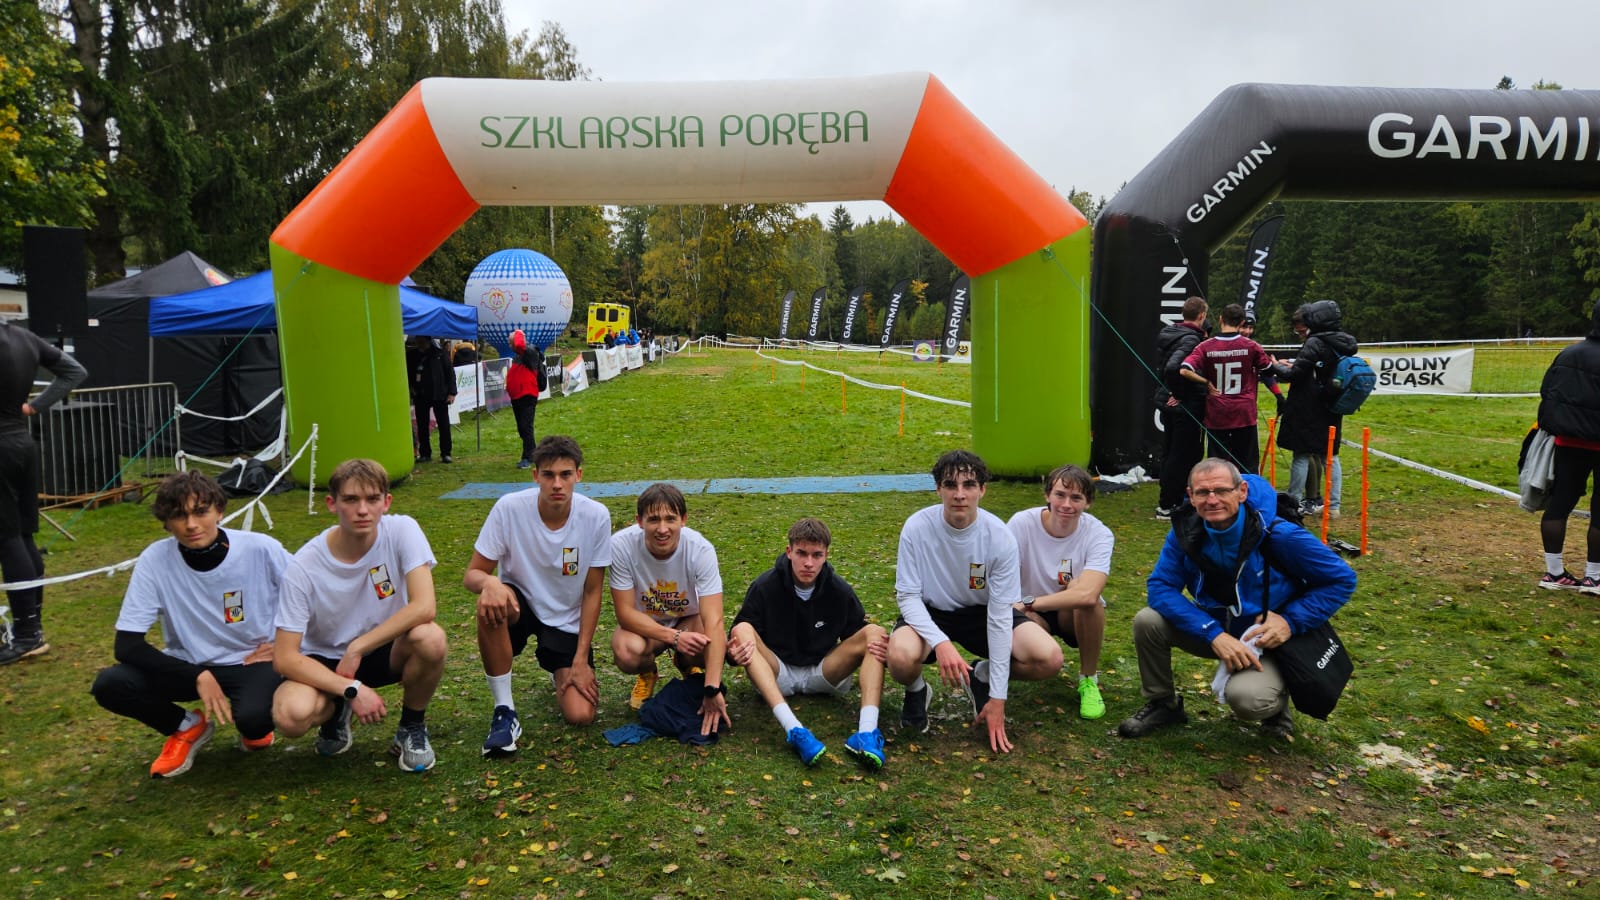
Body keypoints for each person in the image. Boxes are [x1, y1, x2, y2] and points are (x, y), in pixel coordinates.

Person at [1118, 459, 1356, 740]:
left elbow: (1342, 579)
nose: (1212, 500)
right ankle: (1163, 705)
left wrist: (1290, 622)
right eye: (1202, 492)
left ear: (1241, 491)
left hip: (1265, 639)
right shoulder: (1185, 532)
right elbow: (1160, 587)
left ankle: (1276, 707)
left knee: (1248, 699)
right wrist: (1212, 633)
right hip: (1217, 630)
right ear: (1191, 496)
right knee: (1148, 621)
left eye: (1222, 490)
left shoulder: (1279, 535)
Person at [89, 471, 291, 777]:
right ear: (166, 523)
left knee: (254, 722)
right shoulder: (154, 560)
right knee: (111, 684)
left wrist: (284, 645)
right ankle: (186, 726)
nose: (191, 524)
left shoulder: (260, 549)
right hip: (188, 664)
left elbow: (311, 596)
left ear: (219, 511)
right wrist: (197, 675)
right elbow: (127, 645)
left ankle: (254, 725)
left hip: (251, 660)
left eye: (200, 512)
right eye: (178, 515)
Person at [271, 459, 448, 771]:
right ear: (332, 504)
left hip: (381, 650)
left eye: (372, 499)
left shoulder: (402, 530)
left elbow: (425, 607)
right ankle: (338, 708)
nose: (363, 510)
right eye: (351, 500)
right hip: (326, 661)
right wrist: (349, 688)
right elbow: (284, 658)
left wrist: (358, 647)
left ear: (386, 502)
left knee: (431, 638)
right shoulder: (303, 566)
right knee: (290, 716)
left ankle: (411, 727)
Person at [887, 450, 1062, 754]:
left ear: (982, 489)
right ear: (938, 489)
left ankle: (981, 676)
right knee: (900, 658)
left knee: (1049, 658)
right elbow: (908, 596)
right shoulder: (916, 527)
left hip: (983, 613)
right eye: (950, 485)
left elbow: (999, 617)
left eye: (968, 485)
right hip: (931, 612)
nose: (959, 494)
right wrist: (941, 643)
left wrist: (998, 698)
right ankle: (917, 690)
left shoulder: (1000, 537)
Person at [465, 436, 611, 755]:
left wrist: (580, 660)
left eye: (565, 474)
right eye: (548, 475)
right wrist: (489, 583)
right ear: (535, 476)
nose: (557, 484)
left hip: (565, 618)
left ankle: (560, 669)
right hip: (518, 606)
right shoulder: (509, 508)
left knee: (581, 715)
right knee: (489, 602)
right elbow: (472, 574)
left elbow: (592, 590)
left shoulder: (596, 516)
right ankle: (505, 711)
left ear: (578, 475)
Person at [727, 517, 890, 768]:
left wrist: (878, 654)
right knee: (741, 629)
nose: (809, 563)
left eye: (817, 555)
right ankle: (794, 729)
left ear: (826, 555)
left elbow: (856, 635)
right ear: (789, 551)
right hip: (778, 673)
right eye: (802, 553)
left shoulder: (839, 590)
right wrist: (733, 655)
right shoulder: (765, 586)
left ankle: (866, 732)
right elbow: (738, 640)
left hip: (822, 671)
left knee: (875, 633)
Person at [609, 483, 730, 736]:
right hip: (646, 626)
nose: (662, 529)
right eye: (653, 519)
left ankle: (685, 662)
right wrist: (674, 637)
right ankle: (647, 672)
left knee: (711, 639)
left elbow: (715, 621)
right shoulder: (620, 545)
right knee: (626, 651)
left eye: (670, 519)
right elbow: (625, 614)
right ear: (639, 521)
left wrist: (712, 689)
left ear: (683, 520)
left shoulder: (701, 550)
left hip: (688, 620)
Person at [0, 321, 87, 665]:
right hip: (22, 444)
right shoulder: (23, 336)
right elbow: (74, 371)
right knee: (23, 536)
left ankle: (27, 634)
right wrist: (35, 406)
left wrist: (36, 406)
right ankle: (31, 625)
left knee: (8, 539)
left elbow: (75, 372)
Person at [1005, 464, 1112, 721]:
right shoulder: (1021, 523)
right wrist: (1022, 607)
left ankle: (1088, 679)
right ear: (1047, 495)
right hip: (1031, 614)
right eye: (1060, 495)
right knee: (1041, 653)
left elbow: (1088, 594)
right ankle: (991, 671)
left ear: (1088, 503)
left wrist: (1031, 602)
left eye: (1076, 498)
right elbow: (1001, 578)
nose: (1066, 504)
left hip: (1068, 613)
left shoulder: (1100, 534)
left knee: (1086, 596)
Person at [1534, 297, 1600, 591]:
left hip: (1567, 441)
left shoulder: (1567, 354)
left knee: (1560, 504)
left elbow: (1547, 392)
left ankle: (1554, 573)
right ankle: (1594, 577)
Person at [1273, 300, 1358, 519]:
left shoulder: (1314, 342)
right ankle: (1333, 506)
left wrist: (1274, 365)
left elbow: (1294, 375)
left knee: (1301, 455)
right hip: (1331, 403)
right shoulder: (1343, 341)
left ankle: (1293, 502)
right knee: (1330, 455)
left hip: (1308, 406)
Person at [1180, 303, 1279, 474]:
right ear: (1241, 323)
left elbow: (1184, 370)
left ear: (1220, 319)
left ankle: (1220, 491)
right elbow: (1269, 370)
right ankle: (1248, 492)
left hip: (1217, 413)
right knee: (1248, 465)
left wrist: (1206, 382)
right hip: (1244, 413)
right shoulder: (1251, 346)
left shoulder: (1205, 346)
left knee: (1218, 465)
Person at [1154, 297, 1209, 519]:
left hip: (1170, 402)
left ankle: (1174, 498)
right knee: (1180, 454)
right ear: (1202, 315)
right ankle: (1169, 504)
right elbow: (1173, 367)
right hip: (1184, 405)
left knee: (1171, 452)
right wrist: (1178, 395)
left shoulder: (1171, 333)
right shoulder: (1190, 338)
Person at [407, 336, 456, 463]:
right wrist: (411, 389)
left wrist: (452, 393)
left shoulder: (440, 354)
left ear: (428, 341)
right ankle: (425, 453)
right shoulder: (412, 355)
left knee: (444, 425)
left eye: (422, 342)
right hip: (421, 395)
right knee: (422, 426)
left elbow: (450, 374)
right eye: (418, 341)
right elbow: (408, 374)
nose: (420, 344)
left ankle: (446, 453)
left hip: (440, 395)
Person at [505, 329, 548, 469]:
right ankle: (531, 454)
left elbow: (519, 344)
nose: (509, 345)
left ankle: (529, 457)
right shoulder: (520, 355)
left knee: (526, 426)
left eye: (510, 342)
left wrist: (518, 332)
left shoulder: (529, 352)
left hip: (527, 395)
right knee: (522, 428)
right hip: (517, 396)